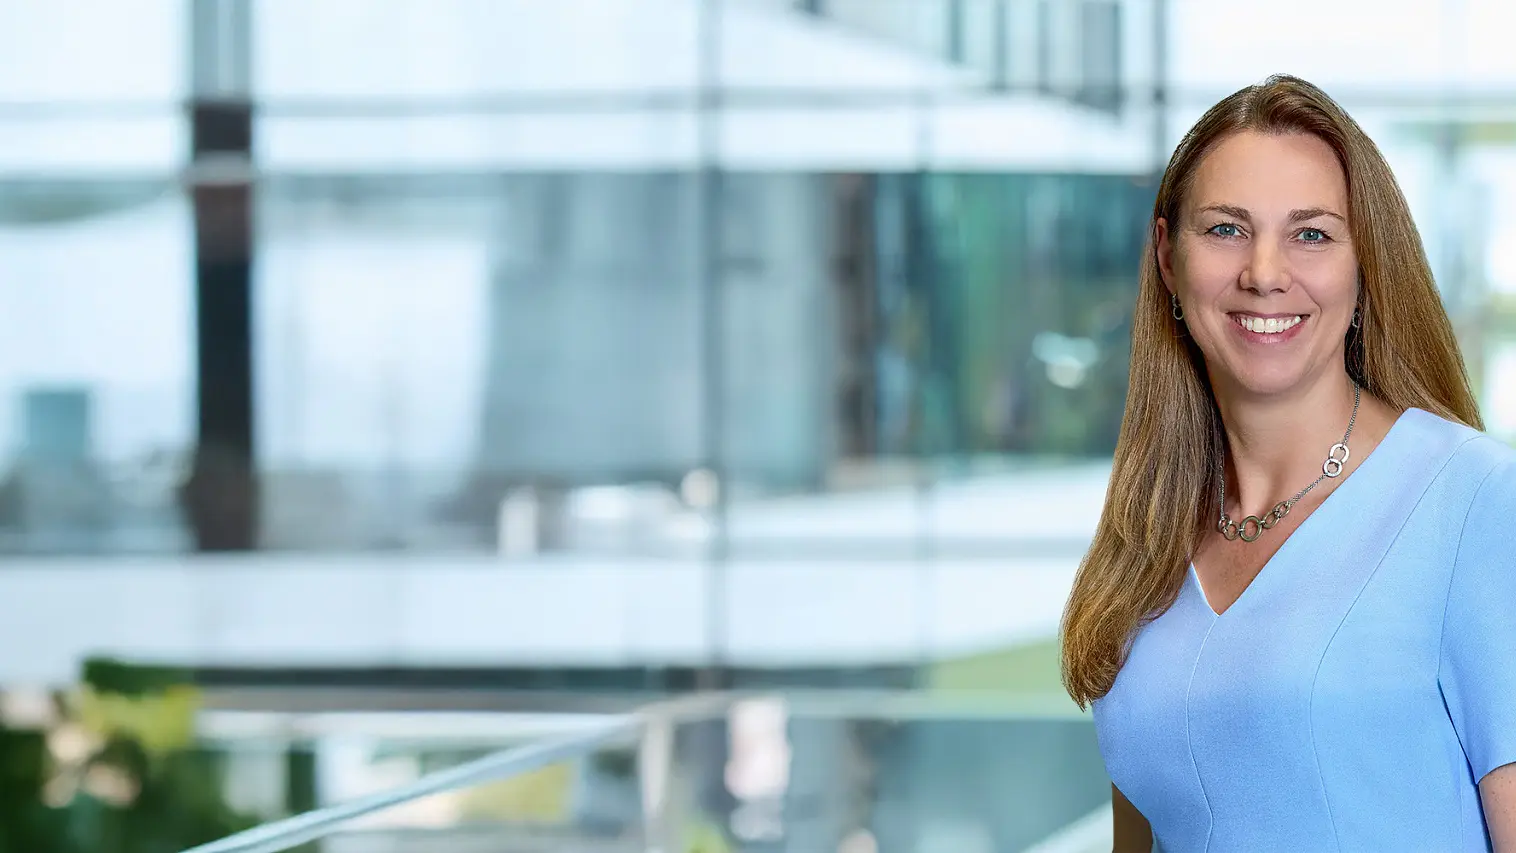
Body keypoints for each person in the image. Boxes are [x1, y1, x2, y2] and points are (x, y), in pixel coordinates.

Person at [1059, 74, 1516, 851]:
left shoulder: (1476, 502)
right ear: (1167, 256)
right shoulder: (1146, 538)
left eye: (1311, 233)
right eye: (1227, 229)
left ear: (1364, 265)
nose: (1265, 272)